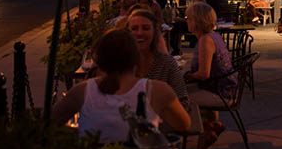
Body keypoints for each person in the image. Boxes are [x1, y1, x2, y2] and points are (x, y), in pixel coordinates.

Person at [51, 30, 190, 142]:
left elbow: (50, 122)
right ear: (136, 58)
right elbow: (183, 125)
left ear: (98, 60)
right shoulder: (157, 90)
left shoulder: (82, 91)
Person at [184, 2, 237, 149]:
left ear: (197, 20)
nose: (186, 20)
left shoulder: (205, 40)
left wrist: (187, 76)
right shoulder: (213, 36)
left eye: (188, 18)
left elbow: (203, 74)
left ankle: (205, 129)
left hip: (222, 93)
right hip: (225, 88)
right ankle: (211, 126)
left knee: (178, 96)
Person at [126, 8, 189, 109]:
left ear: (155, 32)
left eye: (146, 28)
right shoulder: (121, 63)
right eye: (134, 29)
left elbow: (183, 99)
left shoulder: (166, 63)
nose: (139, 33)